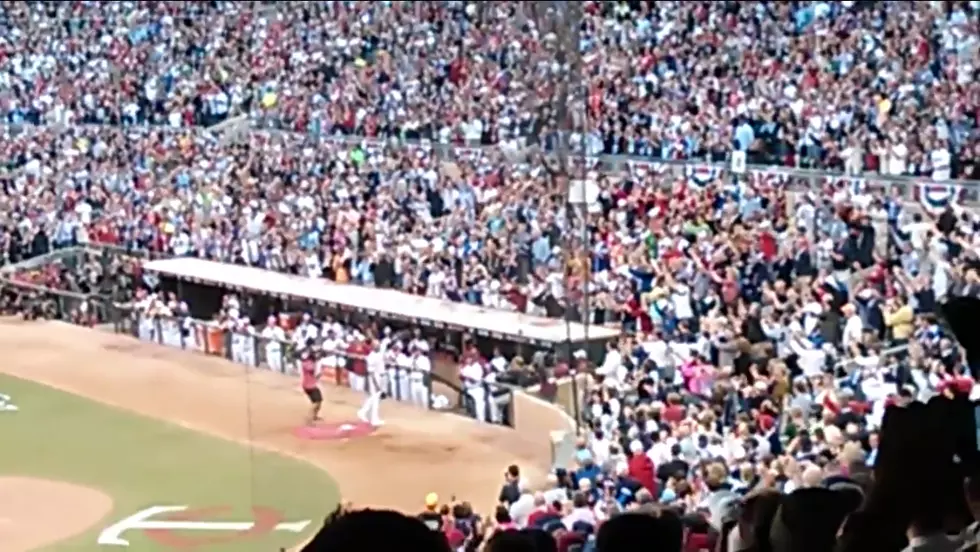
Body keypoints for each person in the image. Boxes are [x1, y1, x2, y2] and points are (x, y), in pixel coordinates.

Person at [357, 340, 386, 427]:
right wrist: (376, 385)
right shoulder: (371, 357)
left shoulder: (379, 353)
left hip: (381, 376)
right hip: (374, 377)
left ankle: (363, 412)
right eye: (377, 345)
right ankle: (374, 419)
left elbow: (385, 344)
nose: (379, 346)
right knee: (376, 398)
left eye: (379, 344)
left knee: (375, 397)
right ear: (373, 347)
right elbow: (371, 372)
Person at [300, 349, 323, 426]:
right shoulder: (308, 363)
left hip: (312, 384)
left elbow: (315, 375)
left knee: (319, 401)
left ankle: (314, 416)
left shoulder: (312, 362)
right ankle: (309, 419)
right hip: (309, 386)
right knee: (316, 403)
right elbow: (310, 369)